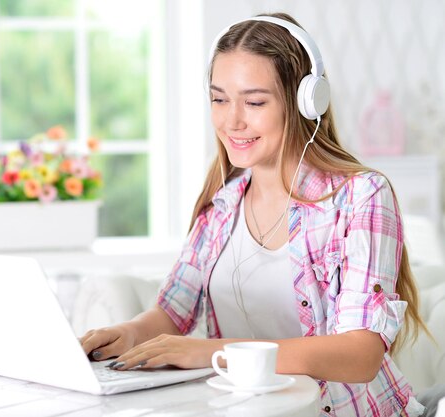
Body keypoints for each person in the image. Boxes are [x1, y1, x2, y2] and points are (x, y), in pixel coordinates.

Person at [80, 12, 429, 417]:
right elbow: (172, 314)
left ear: (305, 102)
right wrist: (122, 334)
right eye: (219, 98)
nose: (232, 120)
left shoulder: (361, 196)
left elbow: (360, 353)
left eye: (255, 101)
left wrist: (209, 353)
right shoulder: (221, 204)